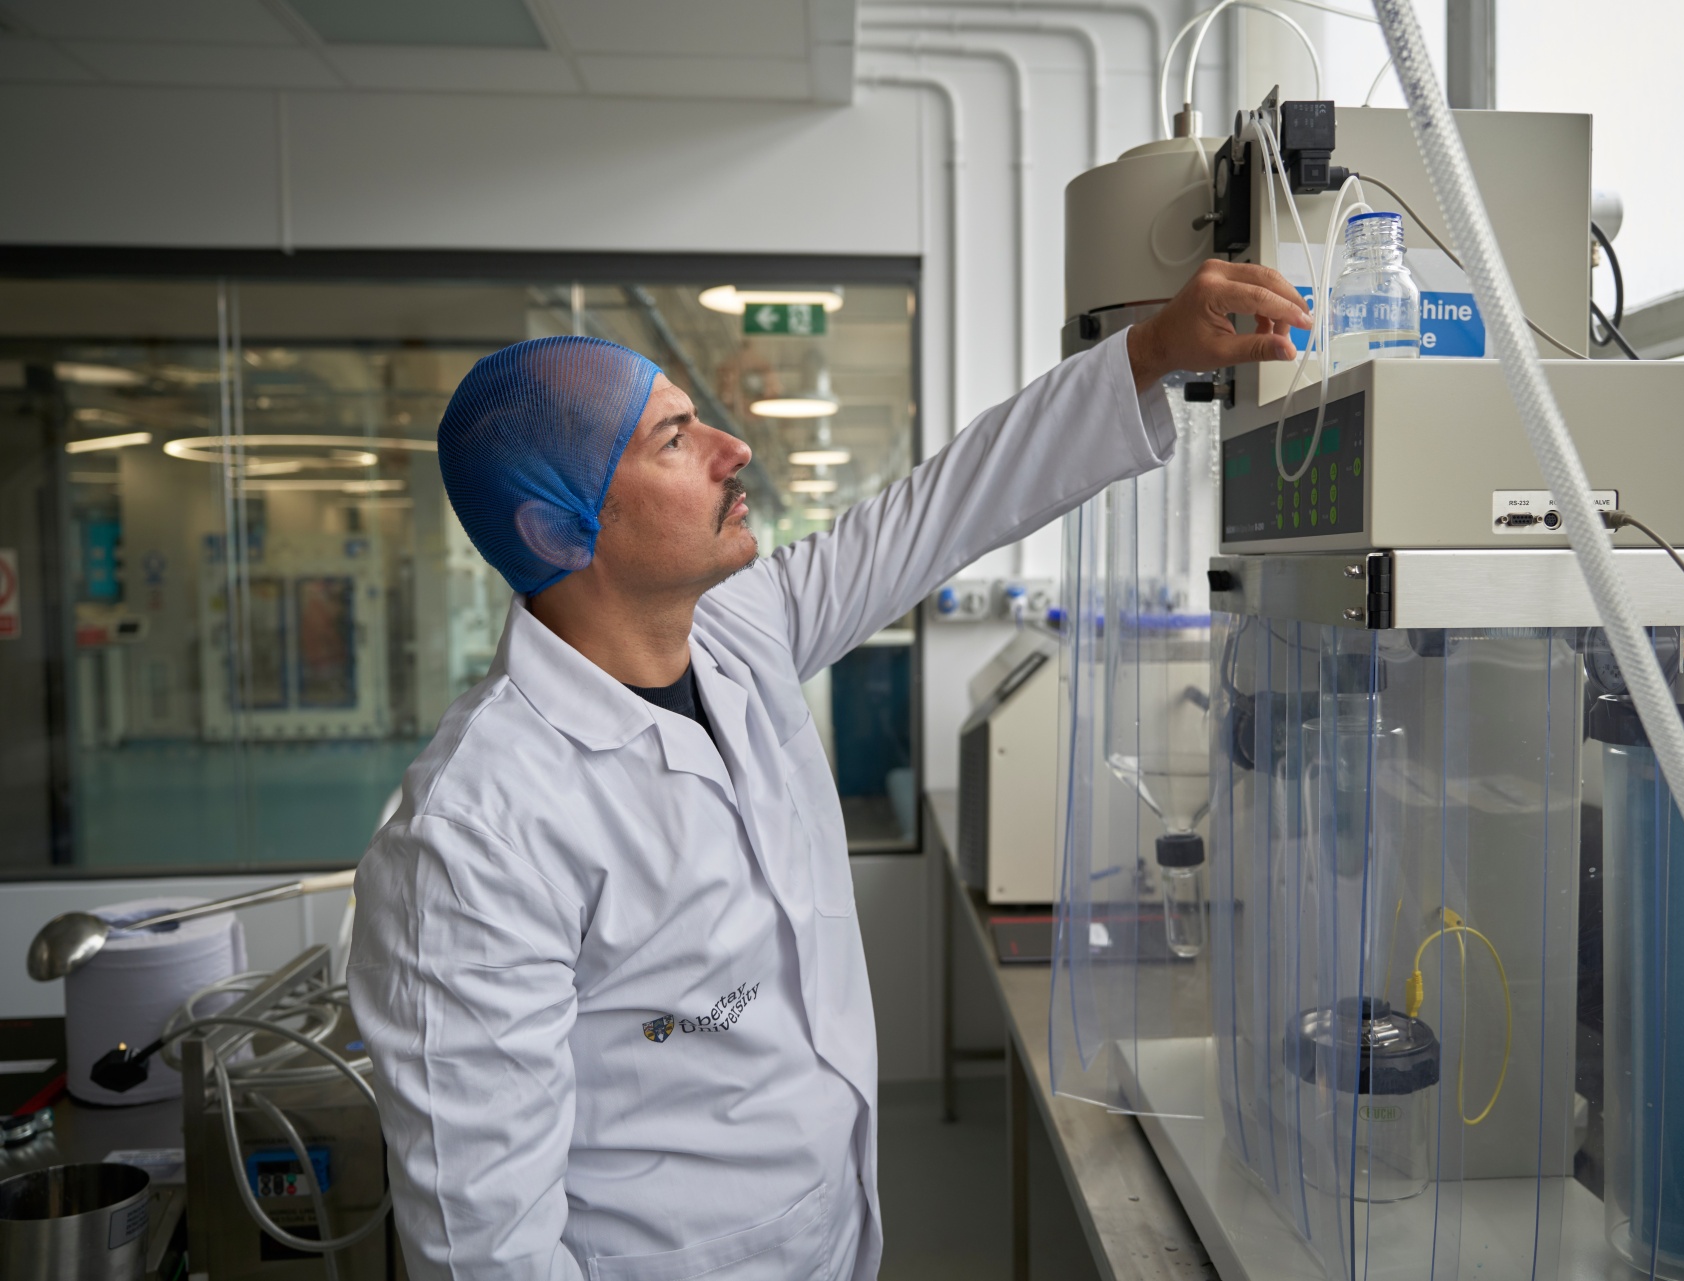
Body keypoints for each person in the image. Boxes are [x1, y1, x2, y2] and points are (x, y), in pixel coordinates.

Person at [347, 260, 1309, 1281]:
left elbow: (944, 506)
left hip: (830, 1239)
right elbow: (484, 1248)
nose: (732, 449)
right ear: (558, 527)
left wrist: (1155, 354)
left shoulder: (735, 635)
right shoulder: (477, 828)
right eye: (675, 439)